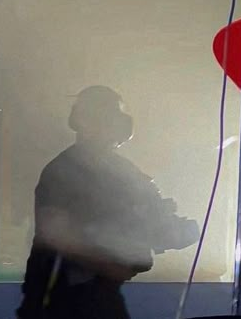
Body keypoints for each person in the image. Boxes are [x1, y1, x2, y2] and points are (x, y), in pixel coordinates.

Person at [16, 85, 199, 319]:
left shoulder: (121, 171)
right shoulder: (62, 171)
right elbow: (56, 235)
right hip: (63, 301)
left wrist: (171, 230)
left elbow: (148, 219)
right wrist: (109, 265)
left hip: (101, 296)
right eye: (109, 116)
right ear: (84, 121)